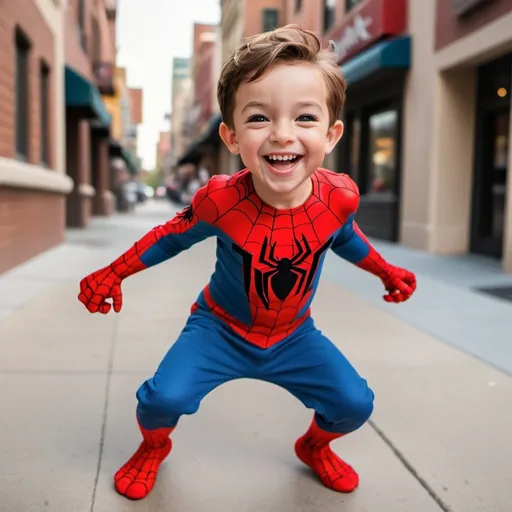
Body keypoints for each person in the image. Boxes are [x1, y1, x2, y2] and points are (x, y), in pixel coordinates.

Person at [78, 25, 416, 501]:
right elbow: (168, 237)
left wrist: (386, 271)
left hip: (294, 333)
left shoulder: (339, 197)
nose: (282, 134)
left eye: (304, 117)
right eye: (259, 118)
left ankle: (315, 446)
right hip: (219, 327)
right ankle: (152, 447)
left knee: (353, 403)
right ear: (231, 136)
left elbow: (346, 238)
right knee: (161, 399)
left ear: (331, 133)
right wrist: (113, 272)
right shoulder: (220, 201)